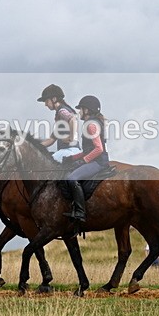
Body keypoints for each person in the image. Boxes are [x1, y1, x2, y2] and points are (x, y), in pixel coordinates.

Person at [62, 95, 110, 223]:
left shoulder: (91, 125)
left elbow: (98, 149)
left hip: (98, 162)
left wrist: (84, 161)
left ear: (87, 110)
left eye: (81, 109)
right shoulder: (91, 123)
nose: (79, 112)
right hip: (94, 159)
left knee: (72, 179)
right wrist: (72, 158)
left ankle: (80, 212)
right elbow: (87, 150)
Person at [36, 84, 81, 163]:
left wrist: (71, 137)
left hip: (68, 152)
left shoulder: (61, 111)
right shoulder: (60, 115)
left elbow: (73, 120)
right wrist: (35, 146)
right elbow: (51, 139)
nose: (45, 104)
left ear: (54, 99)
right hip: (73, 150)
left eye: (46, 101)